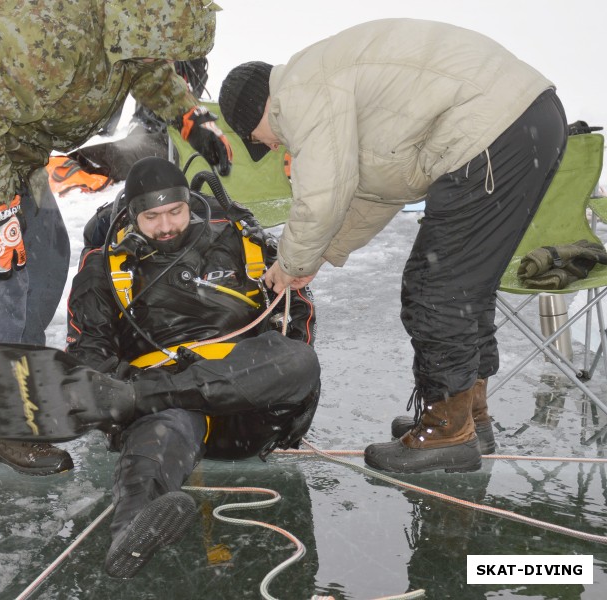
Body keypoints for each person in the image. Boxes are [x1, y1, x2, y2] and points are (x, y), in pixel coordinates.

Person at [0, 0, 232, 476]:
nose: (166, 57)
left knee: (46, 262)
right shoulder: (46, 37)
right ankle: (9, 424)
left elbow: (143, 66)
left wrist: (190, 116)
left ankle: (27, 389)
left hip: (10, 142)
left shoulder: (126, 24)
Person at [218, 18, 568, 474]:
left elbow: (321, 193)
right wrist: (316, 257)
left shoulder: (299, 91)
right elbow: (370, 195)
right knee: (463, 289)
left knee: (437, 289)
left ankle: (449, 430)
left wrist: (290, 261)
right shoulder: (325, 81)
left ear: (255, 111)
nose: (268, 143)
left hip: (490, 131)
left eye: (258, 139)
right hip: (524, 121)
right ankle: (467, 418)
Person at [0, 156, 321, 577]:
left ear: (189, 204)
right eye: (152, 216)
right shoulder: (104, 269)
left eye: (175, 211)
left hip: (248, 405)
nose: (167, 225)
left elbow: (294, 321)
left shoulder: (243, 243)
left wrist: (142, 392)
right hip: (167, 409)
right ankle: (130, 537)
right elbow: (88, 355)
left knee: (298, 361)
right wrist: (137, 390)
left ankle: (144, 398)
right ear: (132, 216)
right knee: (156, 440)